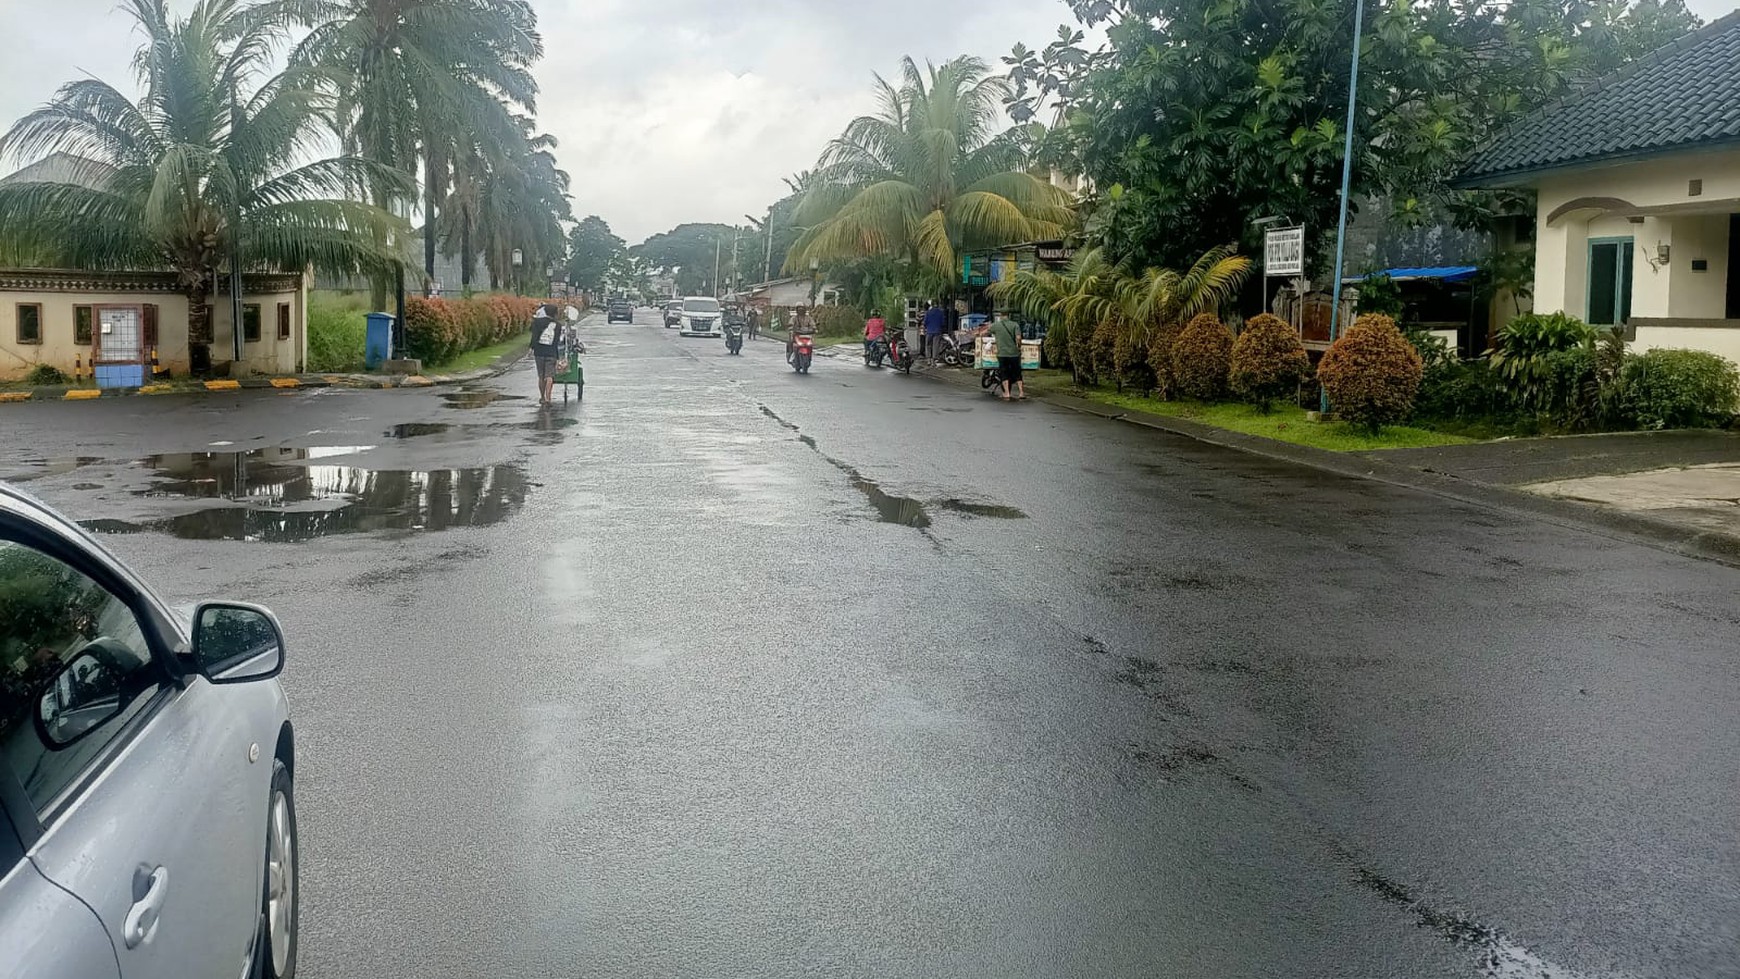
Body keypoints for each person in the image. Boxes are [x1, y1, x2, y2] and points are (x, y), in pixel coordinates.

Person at [529, 304, 563, 404]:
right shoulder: (558, 325)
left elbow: (534, 337)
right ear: (555, 313)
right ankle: (548, 397)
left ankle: (542, 397)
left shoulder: (537, 322)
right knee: (549, 376)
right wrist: (557, 356)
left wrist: (531, 348)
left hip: (539, 352)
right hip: (551, 352)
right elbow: (556, 341)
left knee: (541, 376)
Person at [990, 311, 1026, 401]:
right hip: (1014, 353)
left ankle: (1007, 393)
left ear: (1001, 316)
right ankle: (1021, 392)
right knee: (1018, 373)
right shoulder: (1015, 325)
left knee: (1004, 373)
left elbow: (987, 331)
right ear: (1009, 316)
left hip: (1002, 354)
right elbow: (1018, 338)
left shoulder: (996, 325)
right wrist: (1019, 346)